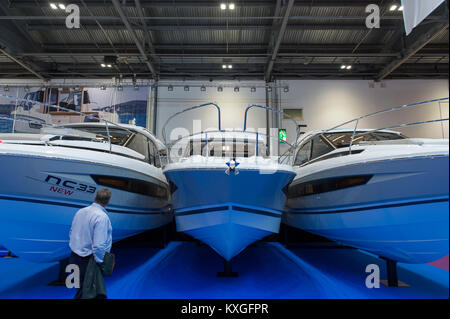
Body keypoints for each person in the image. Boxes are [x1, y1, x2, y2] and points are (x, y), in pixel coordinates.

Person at [68, 188, 112, 299]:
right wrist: (101, 262)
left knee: (80, 290)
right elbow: (98, 245)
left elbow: (71, 233)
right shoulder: (101, 217)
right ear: (108, 201)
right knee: (92, 293)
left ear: (95, 197)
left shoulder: (80, 212)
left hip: (74, 257)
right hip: (89, 261)